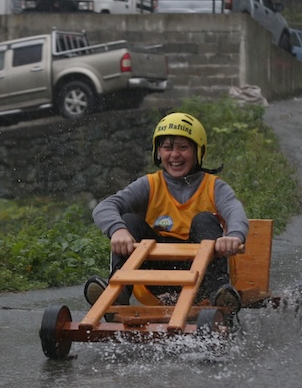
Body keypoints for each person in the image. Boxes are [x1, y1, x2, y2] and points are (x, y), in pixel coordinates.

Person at [84, 112, 249, 314]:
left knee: (204, 219)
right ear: (158, 152)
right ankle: (117, 292)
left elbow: (234, 211)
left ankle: (220, 294)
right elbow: (104, 207)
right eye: (167, 147)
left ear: (198, 151)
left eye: (183, 147)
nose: (174, 155)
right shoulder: (150, 184)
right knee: (129, 221)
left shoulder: (215, 187)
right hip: (156, 279)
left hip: (202, 279)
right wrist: (118, 230)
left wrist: (233, 236)